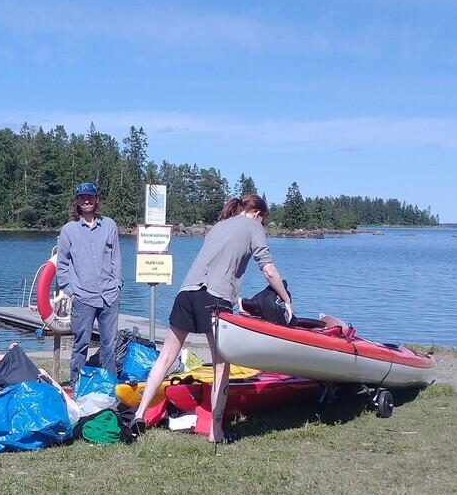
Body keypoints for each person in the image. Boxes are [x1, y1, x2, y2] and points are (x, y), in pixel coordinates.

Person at [132, 194, 292, 443]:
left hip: (187, 293)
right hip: (213, 298)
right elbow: (268, 269)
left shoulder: (219, 225)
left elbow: (220, 263)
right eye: (264, 220)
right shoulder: (253, 227)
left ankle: (139, 415)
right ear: (258, 214)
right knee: (221, 366)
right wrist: (286, 298)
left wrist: (237, 299)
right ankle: (215, 432)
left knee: (166, 357)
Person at [56, 182, 123, 385]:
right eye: (82, 197)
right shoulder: (69, 230)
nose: (87, 201)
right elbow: (62, 264)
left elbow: (116, 258)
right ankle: (77, 383)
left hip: (109, 295)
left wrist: (118, 284)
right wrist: (70, 290)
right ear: (77, 201)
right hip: (83, 297)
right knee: (80, 344)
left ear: (97, 200)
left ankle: (109, 384)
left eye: (90, 197)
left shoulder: (110, 225)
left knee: (109, 344)